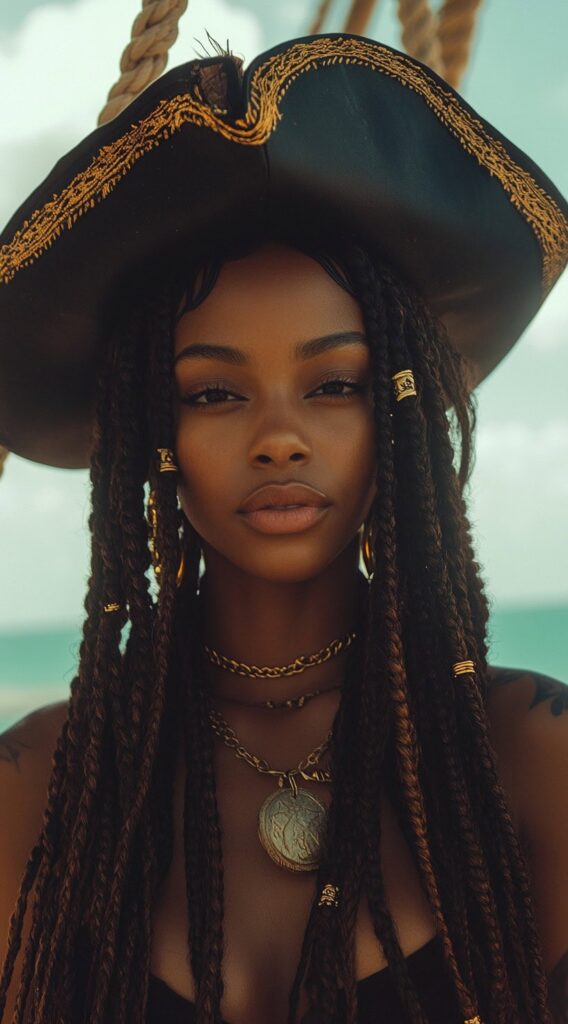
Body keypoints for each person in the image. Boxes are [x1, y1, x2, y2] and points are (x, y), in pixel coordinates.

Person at [0, 31, 567, 1024]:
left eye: (334, 383)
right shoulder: (41, 788)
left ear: (395, 406)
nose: (277, 438)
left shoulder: (527, 755)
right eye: (216, 390)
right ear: (150, 426)